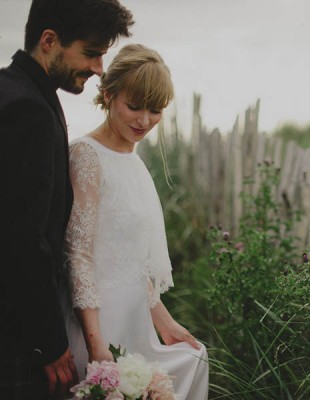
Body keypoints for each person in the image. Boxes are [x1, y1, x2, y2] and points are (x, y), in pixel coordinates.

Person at [0, 1, 133, 399]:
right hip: (16, 332)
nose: (98, 68)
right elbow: (22, 237)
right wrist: (48, 342)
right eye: (90, 53)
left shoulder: (13, 90)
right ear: (49, 41)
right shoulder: (28, 109)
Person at [65, 44, 209, 399]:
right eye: (134, 106)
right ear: (108, 94)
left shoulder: (134, 159)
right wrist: (95, 343)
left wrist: (165, 322)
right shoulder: (86, 155)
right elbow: (78, 256)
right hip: (98, 320)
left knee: (194, 358)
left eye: (155, 110)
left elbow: (133, 259)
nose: (144, 121)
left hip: (135, 317)